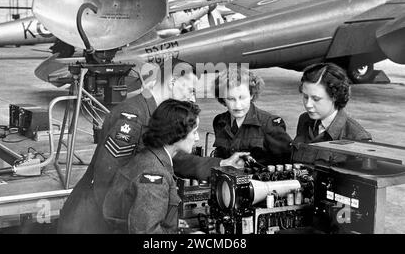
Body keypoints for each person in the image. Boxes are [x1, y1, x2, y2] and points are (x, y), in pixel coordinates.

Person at [57, 58, 248, 233]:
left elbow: (171, 157)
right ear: (173, 83)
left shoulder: (158, 114)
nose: (192, 98)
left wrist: (222, 164)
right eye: (190, 90)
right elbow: (107, 175)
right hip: (93, 219)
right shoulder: (133, 116)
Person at [103, 99, 200, 233]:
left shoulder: (149, 157)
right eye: (194, 132)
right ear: (177, 134)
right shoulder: (154, 175)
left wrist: (173, 225)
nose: (197, 138)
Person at [291, 62, 372, 165]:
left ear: (335, 96)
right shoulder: (304, 120)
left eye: (316, 99)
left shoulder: (357, 137)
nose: (308, 104)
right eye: (305, 97)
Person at [212, 66, 292, 166]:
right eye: (231, 99)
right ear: (223, 99)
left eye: (242, 98)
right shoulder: (219, 122)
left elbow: (287, 161)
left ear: (251, 95)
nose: (237, 105)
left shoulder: (268, 124)